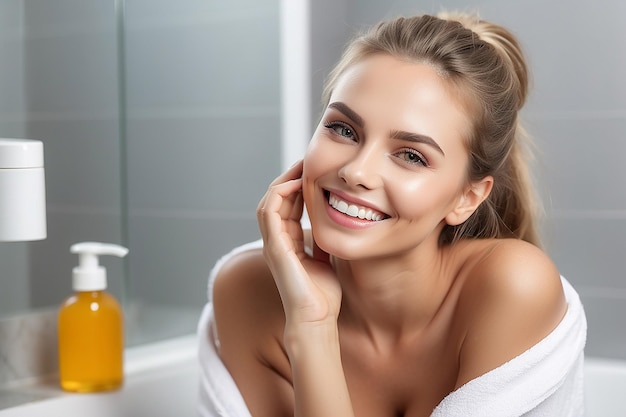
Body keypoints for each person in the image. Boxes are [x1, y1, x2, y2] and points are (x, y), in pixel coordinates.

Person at [197, 11, 587, 417]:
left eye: (411, 156)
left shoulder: (511, 287)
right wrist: (312, 324)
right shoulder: (247, 291)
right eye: (344, 129)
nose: (356, 172)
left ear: (467, 198)